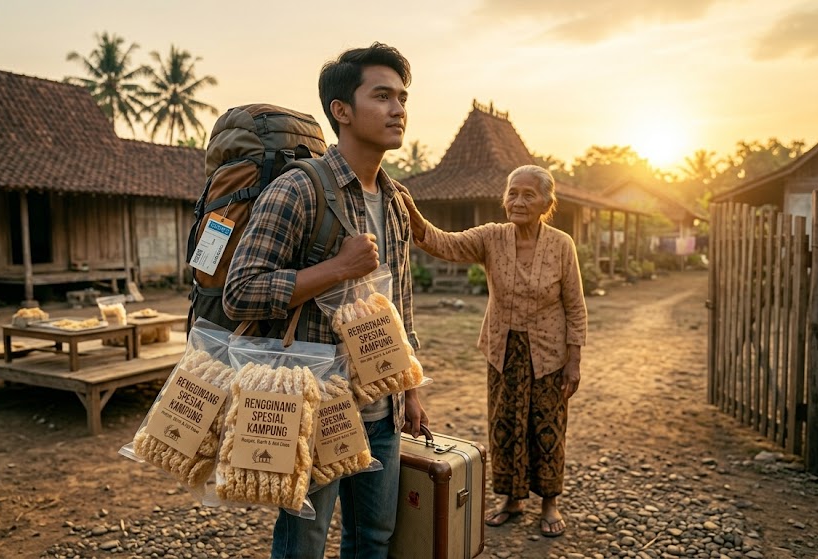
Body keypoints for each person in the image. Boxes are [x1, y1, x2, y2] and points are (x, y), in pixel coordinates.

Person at [222, 42, 429, 559]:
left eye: (402, 97)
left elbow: (398, 304)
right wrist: (337, 268)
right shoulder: (300, 189)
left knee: (374, 539)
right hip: (314, 405)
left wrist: (411, 390)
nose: (398, 109)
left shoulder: (397, 200)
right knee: (303, 545)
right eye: (382, 96)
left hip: (381, 408)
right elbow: (239, 292)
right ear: (341, 110)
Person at [395, 165, 586, 537]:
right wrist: (413, 213)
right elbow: (441, 242)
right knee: (504, 425)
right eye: (512, 193)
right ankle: (511, 500)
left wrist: (574, 361)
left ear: (547, 202)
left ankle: (549, 503)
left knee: (548, 428)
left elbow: (575, 306)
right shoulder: (492, 237)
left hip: (549, 351)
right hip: (503, 348)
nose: (518, 200)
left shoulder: (562, 244)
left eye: (528, 194)